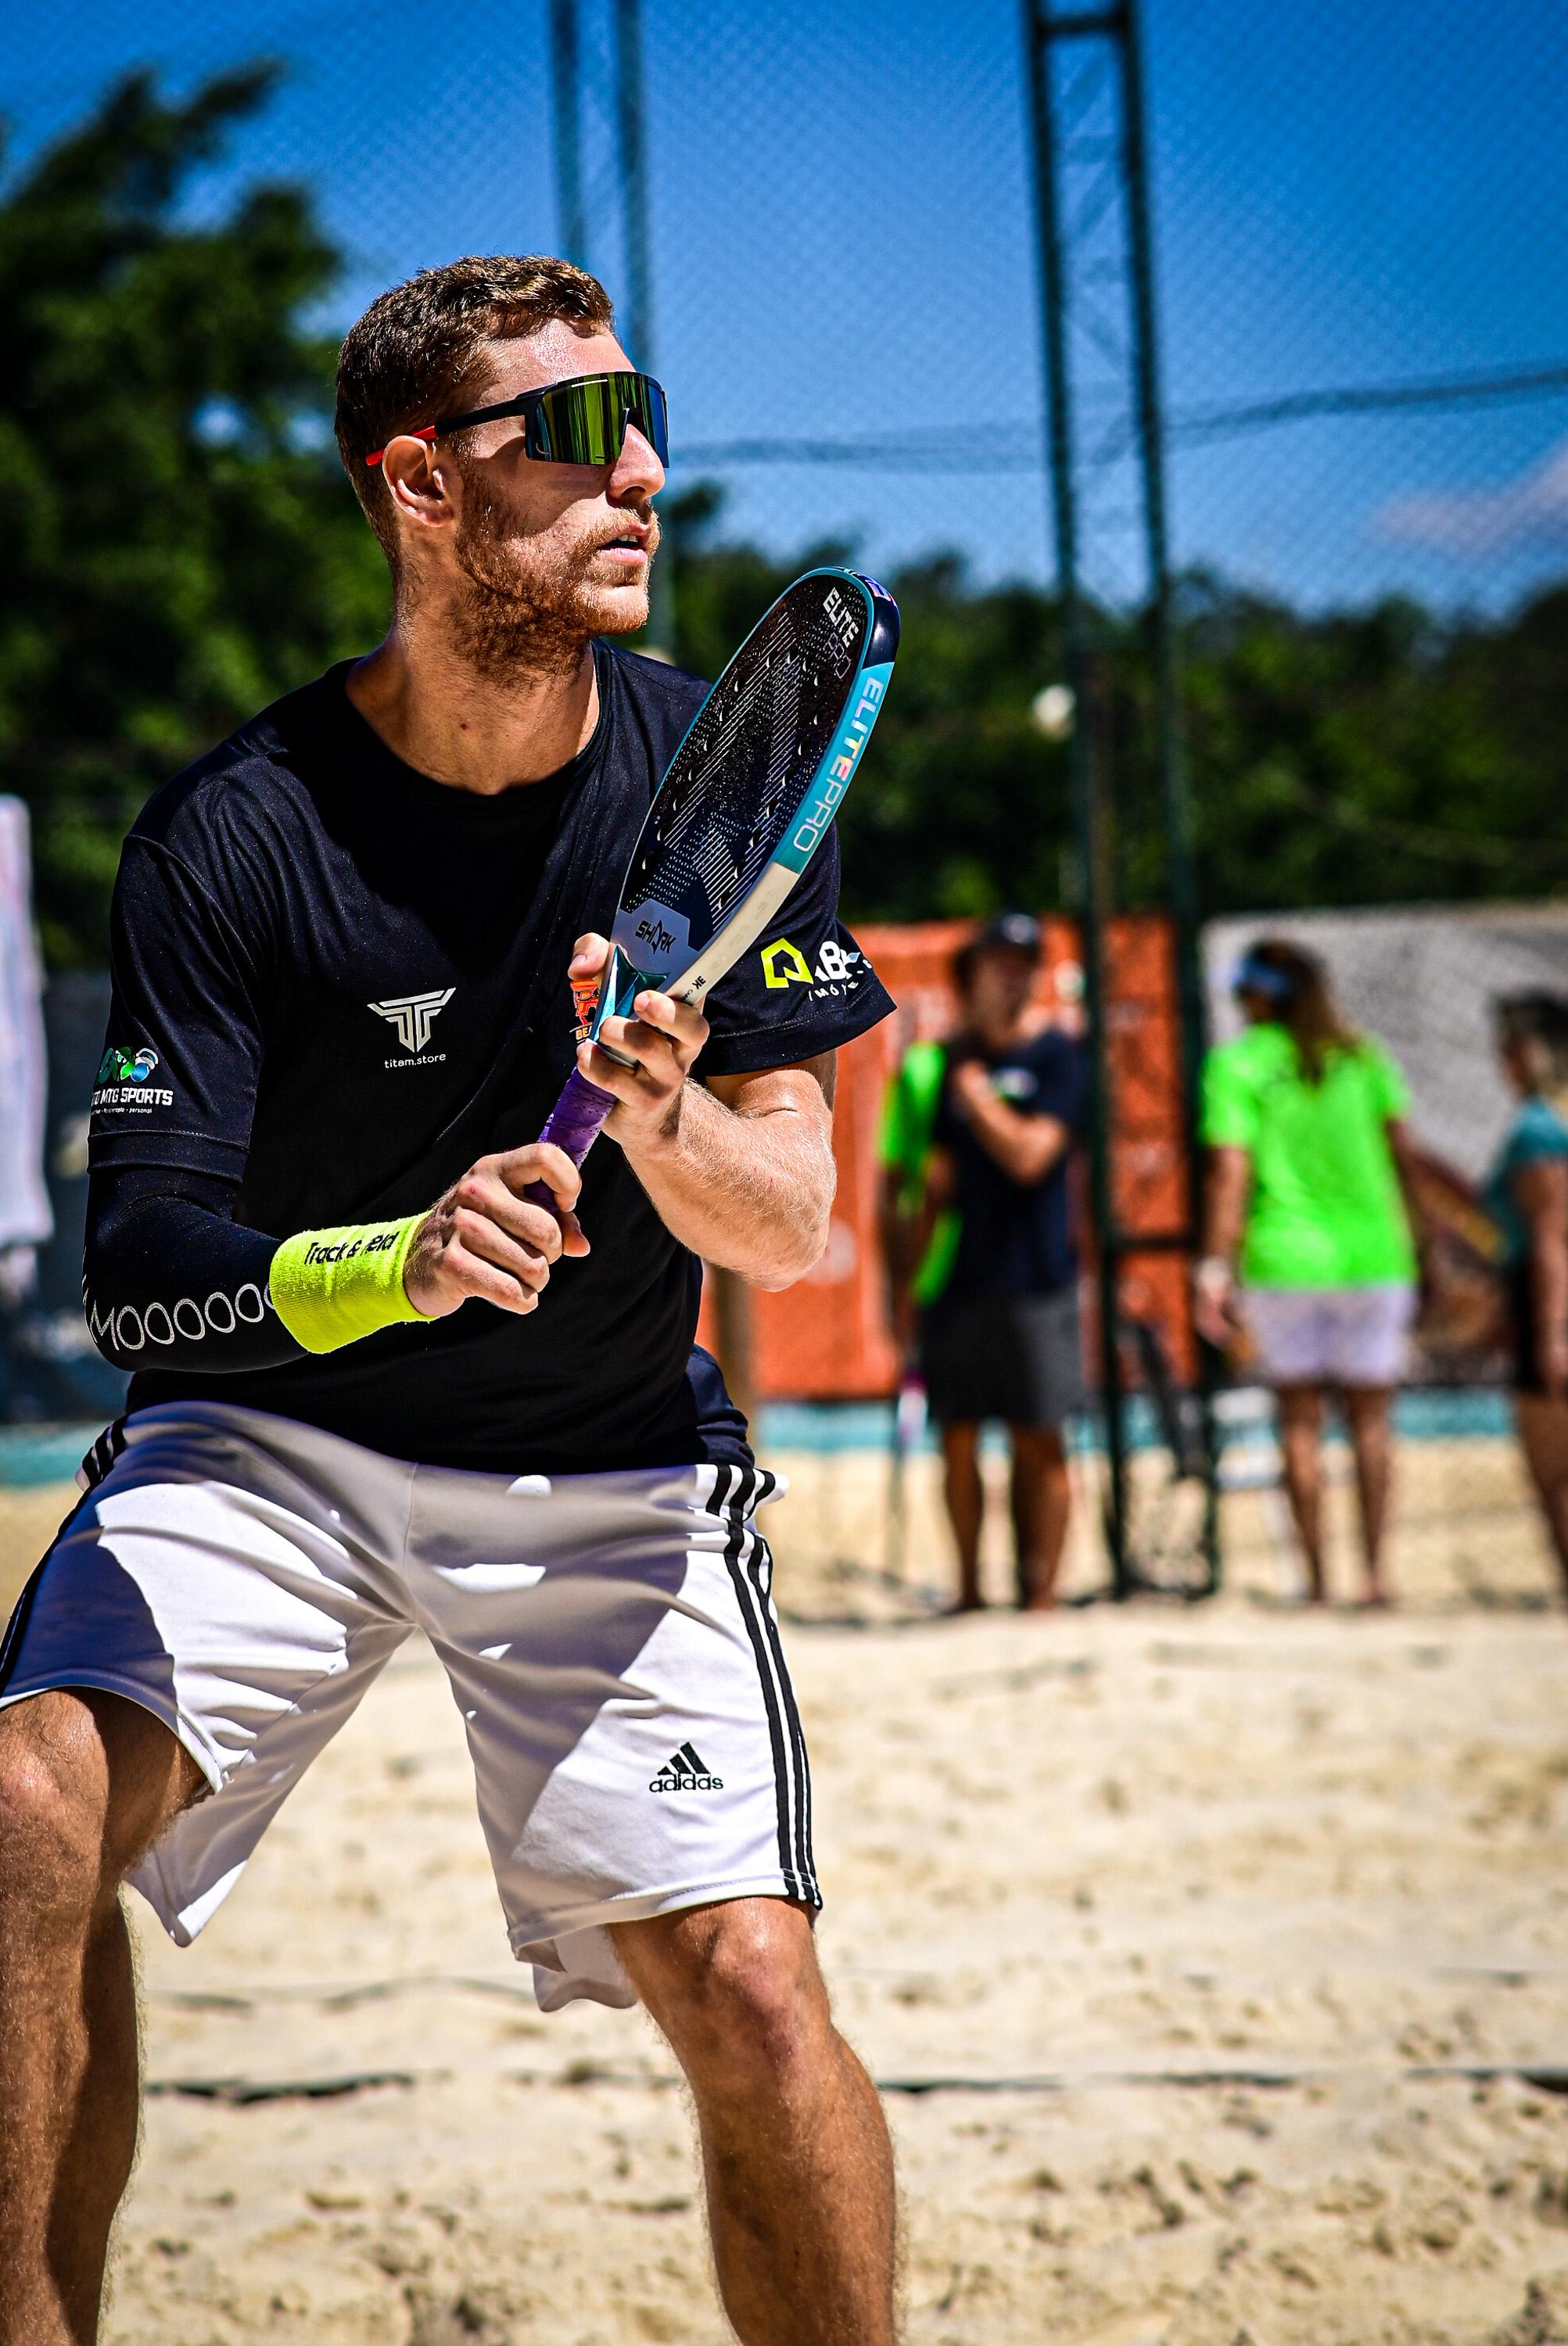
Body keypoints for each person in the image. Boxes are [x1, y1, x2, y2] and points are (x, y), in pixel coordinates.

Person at [0, 256, 900, 2346]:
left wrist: (668, 1134)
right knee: (26, 1806)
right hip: (279, 1451)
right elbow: (143, 1281)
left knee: (757, 1997)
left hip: (597, 1458)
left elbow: (793, 1225)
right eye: (576, 433)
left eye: (644, 418)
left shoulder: (718, 781)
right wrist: (385, 1261)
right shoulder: (235, 836)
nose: (645, 474)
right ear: (421, 485)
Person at [1196, 938, 1427, 1606]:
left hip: (1285, 1257)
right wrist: (1428, 1248)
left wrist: (1215, 1267)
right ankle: (1376, 1574)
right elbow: (1406, 1160)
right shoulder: (1363, 1058)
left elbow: (1229, 1174)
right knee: (1371, 1422)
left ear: (1261, 996)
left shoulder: (1236, 1065)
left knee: (1298, 1421)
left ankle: (1318, 1581)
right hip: (1373, 1255)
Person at [879, 912, 1089, 1612]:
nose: (1012, 975)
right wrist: (905, 1285)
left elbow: (1033, 1157)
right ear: (969, 977)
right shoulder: (945, 1063)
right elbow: (929, 1187)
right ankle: (969, 1589)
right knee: (959, 1440)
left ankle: (1043, 1593)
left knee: (1040, 1442)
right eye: (998, 962)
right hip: (959, 1280)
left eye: (1023, 963)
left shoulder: (1055, 1056)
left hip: (1037, 1277)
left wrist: (979, 1100)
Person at [1487, 992, 1568, 1590]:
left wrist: (1551, 1334)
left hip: (1548, 1302)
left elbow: (1549, 1238)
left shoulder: (1538, 1127)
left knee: (1554, 1473)